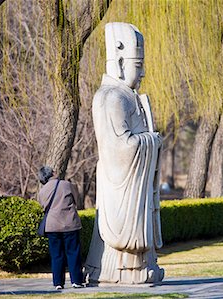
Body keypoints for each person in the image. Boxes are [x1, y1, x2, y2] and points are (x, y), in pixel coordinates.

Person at [84, 22, 164, 284]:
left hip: (133, 183)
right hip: (119, 183)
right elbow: (120, 148)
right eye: (137, 66)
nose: (142, 73)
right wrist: (152, 140)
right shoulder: (110, 97)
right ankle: (119, 271)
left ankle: (136, 268)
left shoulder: (128, 96)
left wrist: (149, 141)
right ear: (119, 62)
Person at [37, 166, 84, 290]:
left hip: (52, 225)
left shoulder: (42, 191)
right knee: (73, 252)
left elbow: (42, 206)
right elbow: (77, 201)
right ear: (52, 173)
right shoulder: (66, 185)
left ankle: (58, 282)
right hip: (69, 223)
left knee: (56, 255)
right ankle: (77, 281)